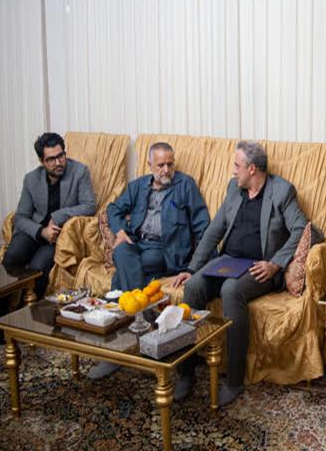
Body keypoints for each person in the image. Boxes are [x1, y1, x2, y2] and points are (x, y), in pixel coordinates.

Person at [170, 140, 313, 406]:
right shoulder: (234, 189)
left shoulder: (282, 191)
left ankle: (235, 379)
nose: (233, 170)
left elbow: (301, 228)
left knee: (231, 289)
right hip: (228, 262)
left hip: (260, 267)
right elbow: (214, 230)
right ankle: (186, 373)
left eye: (237, 165)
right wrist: (192, 268)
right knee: (193, 287)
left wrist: (276, 263)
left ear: (252, 169)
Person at [88, 141, 209, 380]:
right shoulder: (138, 186)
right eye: (161, 165)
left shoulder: (185, 185)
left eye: (170, 164)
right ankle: (144, 331)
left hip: (165, 250)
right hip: (137, 244)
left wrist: (196, 266)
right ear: (149, 164)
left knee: (119, 278)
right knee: (121, 252)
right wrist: (120, 231)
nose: (166, 170)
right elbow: (113, 209)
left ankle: (116, 354)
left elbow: (203, 225)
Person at [3, 132, 96, 298]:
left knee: (38, 267)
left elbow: (89, 206)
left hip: (58, 237)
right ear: (42, 161)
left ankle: (29, 308)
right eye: (51, 159)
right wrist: (41, 231)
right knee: (11, 257)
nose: (58, 163)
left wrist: (58, 216)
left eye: (61, 156)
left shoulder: (79, 172)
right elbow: (21, 217)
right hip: (35, 232)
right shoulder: (31, 179)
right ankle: (2, 308)